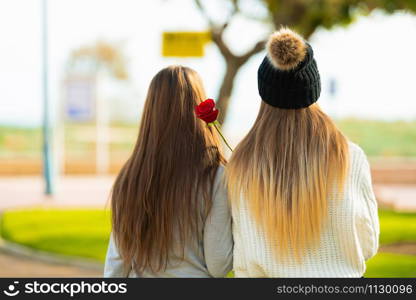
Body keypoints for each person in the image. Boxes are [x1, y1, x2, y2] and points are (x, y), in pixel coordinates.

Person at [226, 28, 379, 277]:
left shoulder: (240, 163)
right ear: (314, 89)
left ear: (264, 93)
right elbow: (368, 243)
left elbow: (240, 253)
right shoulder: (351, 157)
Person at [104, 65, 232, 277]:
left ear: (151, 111)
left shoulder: (131, 176)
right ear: (198, 107)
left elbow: (117, 264)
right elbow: (218, 265)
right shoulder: (215, 176)